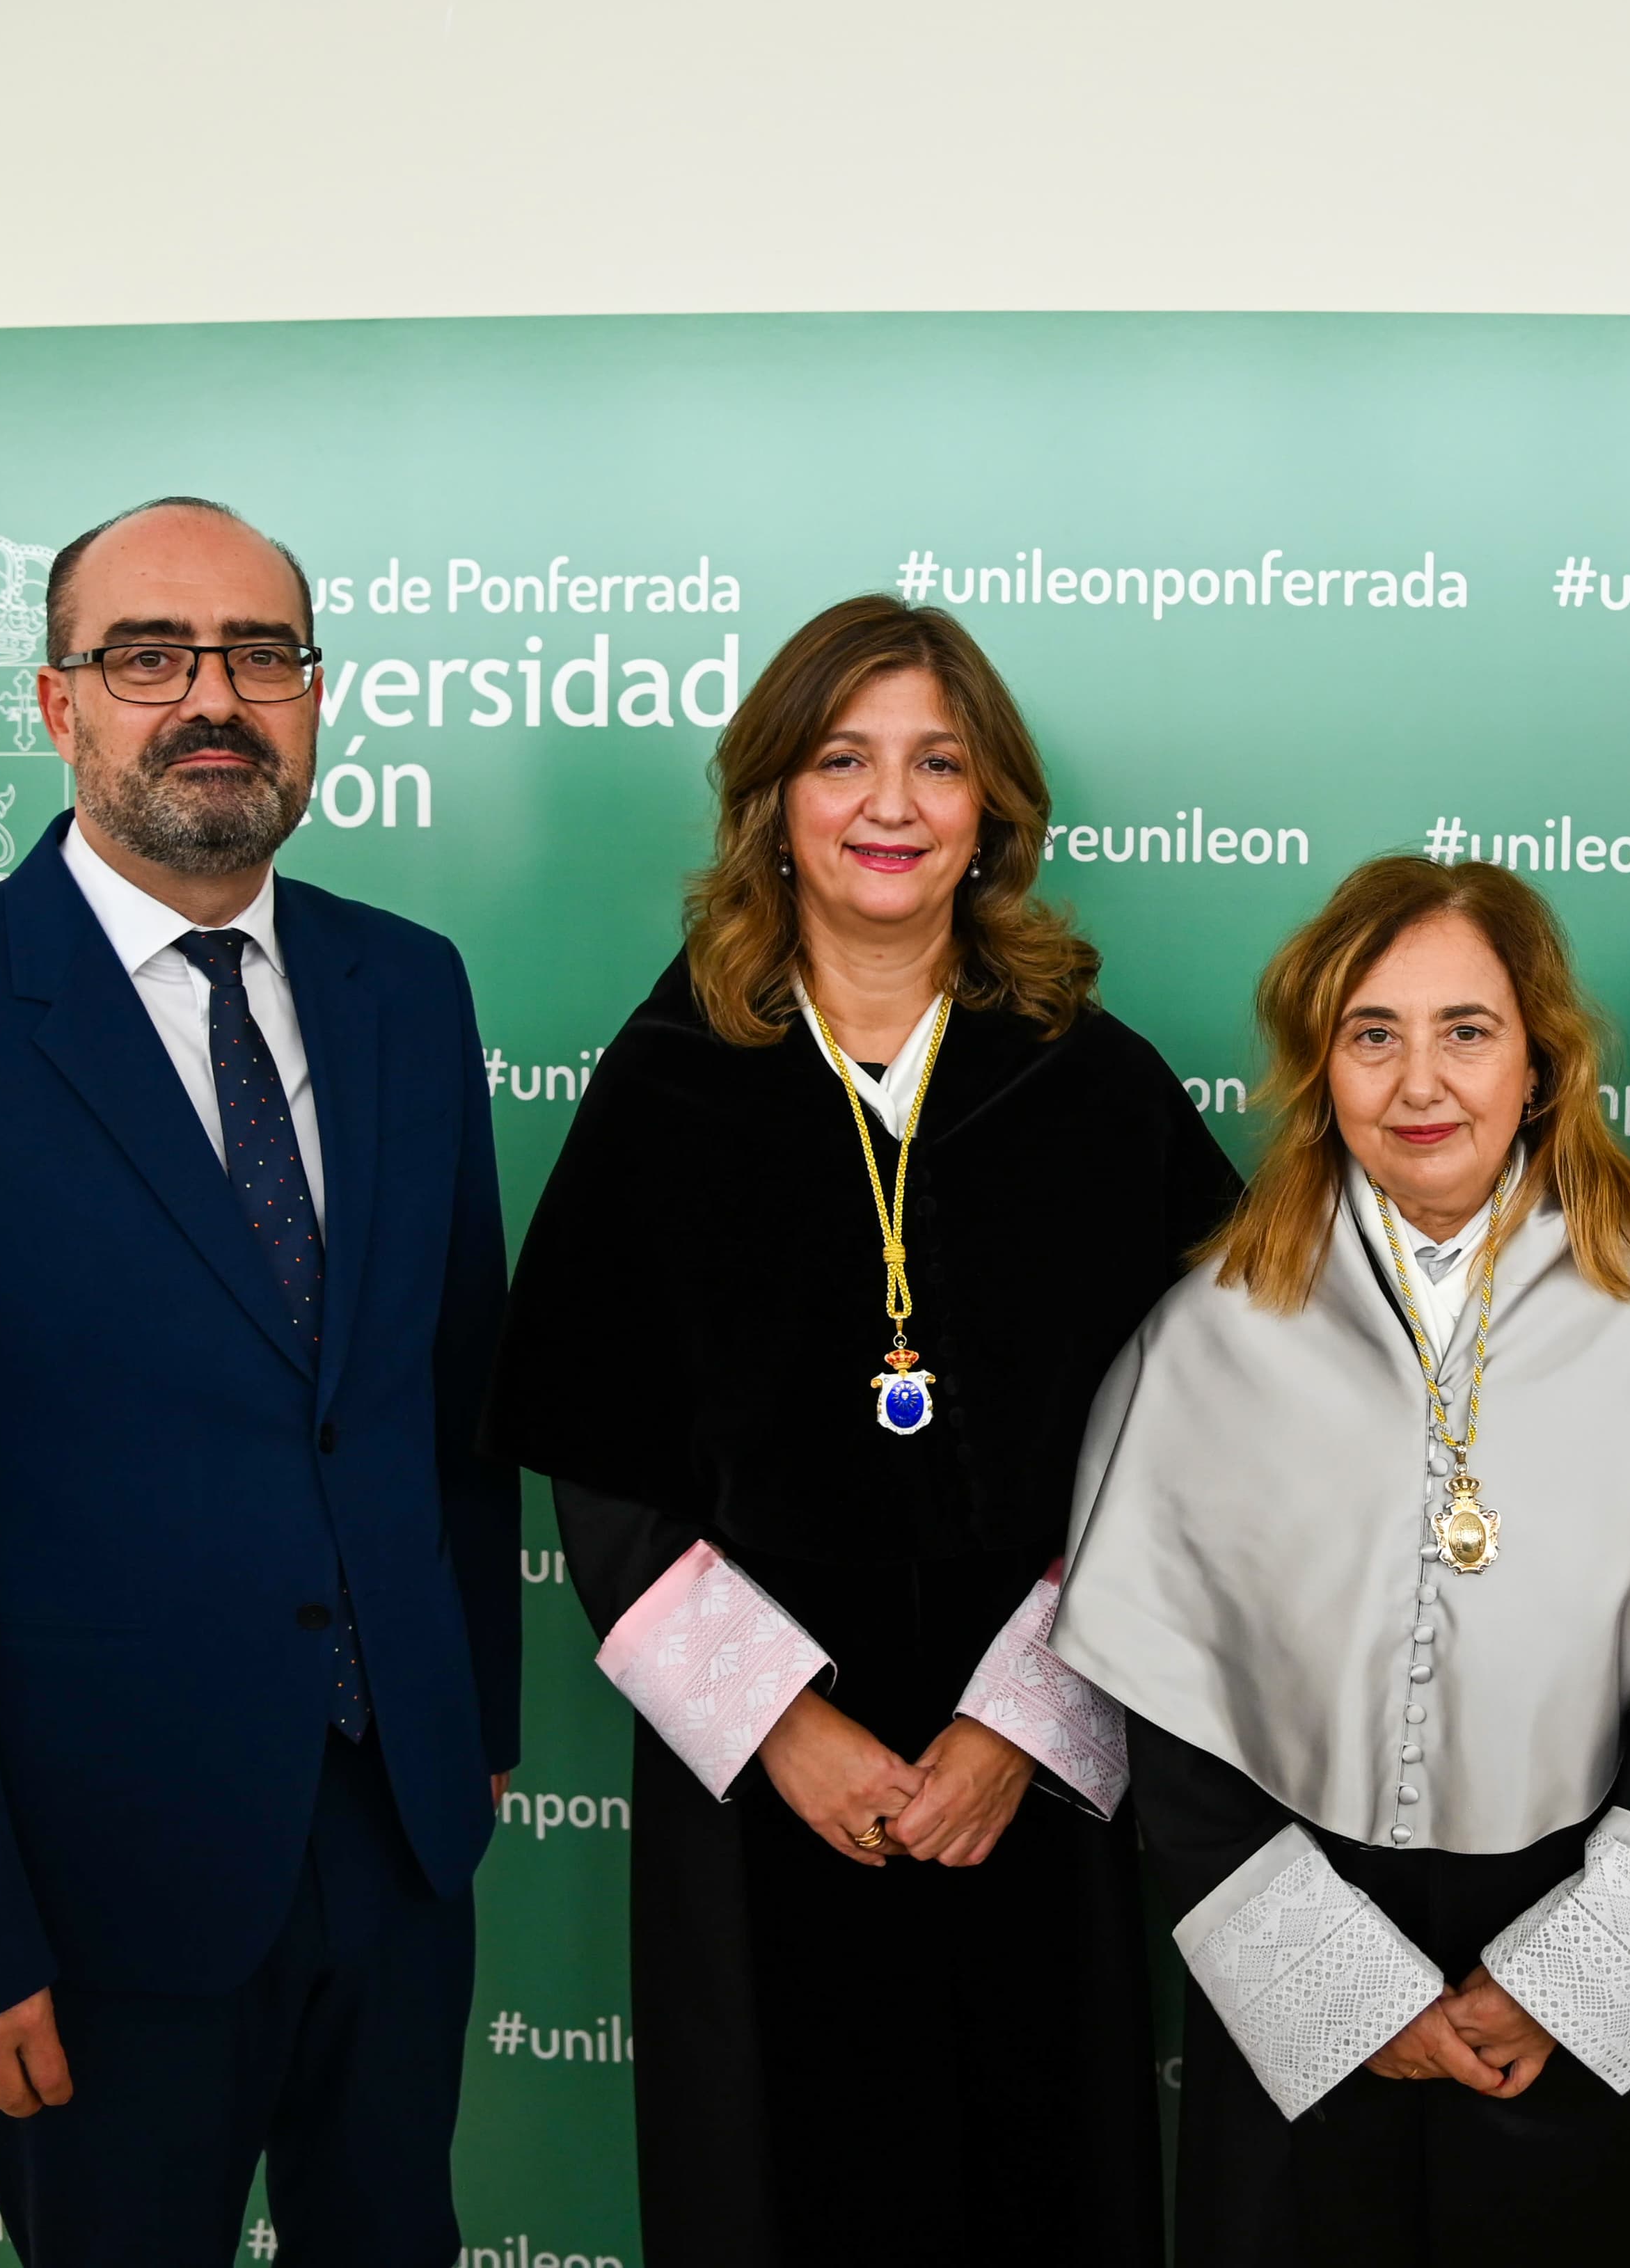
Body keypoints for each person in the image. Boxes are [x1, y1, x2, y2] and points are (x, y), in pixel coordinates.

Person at [0, 496, 521, 2267]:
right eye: (149, 655)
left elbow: (449, 1390)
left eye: (263, 655)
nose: (213, 697)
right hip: (88, 1885)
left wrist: (468, 1710)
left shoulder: (405, 986)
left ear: (315, 694)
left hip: (396, 1843)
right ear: (54, 702)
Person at [485, 596, 1236, 2268]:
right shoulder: (673, 1072)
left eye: (936, 763)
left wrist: (1018, 1724)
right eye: (843, 759)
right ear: (774, 800)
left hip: (1029, 1768)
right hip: (762, 1792)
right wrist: (783, 1727)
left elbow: (1199, 1444)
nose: (889, 804)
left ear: (992, 811)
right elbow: (598, 1459)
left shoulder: (1092, 1083)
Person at [1056, 855, 1630, 2267]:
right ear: (1321, 1068)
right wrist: (1354, 1994)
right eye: (1373, 1032)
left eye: (1465, 1030)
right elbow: (1174, 1731)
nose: (1418, 1079)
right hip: (1314, 1970)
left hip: (1604, 1972)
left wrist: (1559, 1984)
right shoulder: (1211, 1333)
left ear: (1542, 1060)